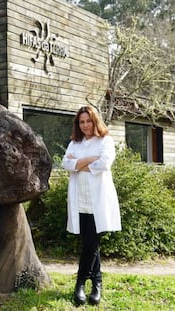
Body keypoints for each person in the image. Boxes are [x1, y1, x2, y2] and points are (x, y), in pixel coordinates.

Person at [62, 105, 121, 306]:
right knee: (89, 243)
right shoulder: (74, 143)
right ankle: (97, 284)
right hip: (80, 199)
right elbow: (66, 164)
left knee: (91, 243)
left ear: (95, 120)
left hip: (98, 200)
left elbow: (104, 164)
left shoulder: (106, 141)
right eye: (81, 122)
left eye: (88, 120)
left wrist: (78, 164)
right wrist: (88, 161)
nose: (85, 125)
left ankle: (80, 284)